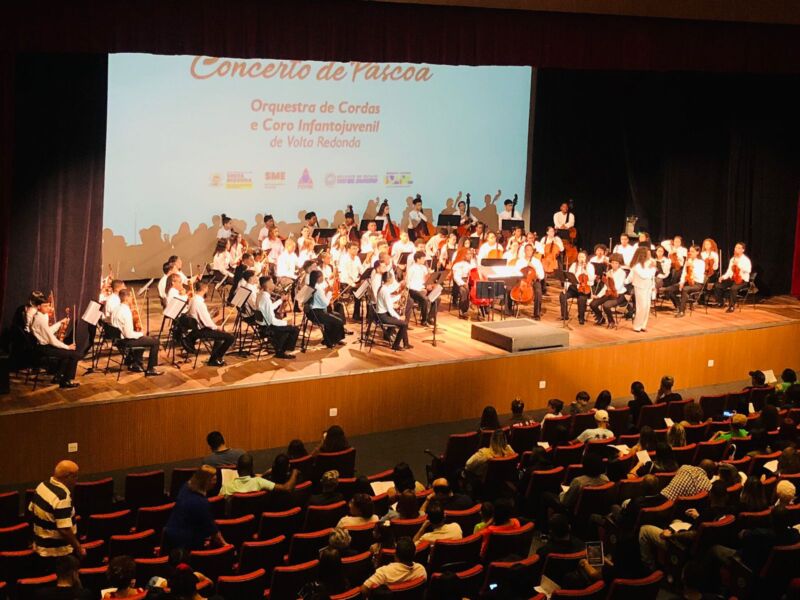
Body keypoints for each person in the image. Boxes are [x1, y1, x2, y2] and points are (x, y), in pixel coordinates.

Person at [29, 461, 84, 573]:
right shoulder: (61, 498)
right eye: (76, 476)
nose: (76, 480)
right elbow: (64, 529)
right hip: (58, 553)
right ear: (68, 477)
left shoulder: (42, 486)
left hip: (41, 548)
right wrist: (79, 548)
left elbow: (31, 510)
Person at [163, 465, 228, 552]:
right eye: (213, 480)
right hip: (184, 545)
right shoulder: (201, 503)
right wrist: (226, 545)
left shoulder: (185, 487)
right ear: (206, 482)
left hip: (170, 535)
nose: (215, 483)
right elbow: (213, 531)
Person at [27, 292, 81, 388]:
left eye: (49, 306)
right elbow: (51, 339)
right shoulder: (39, 319)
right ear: (38, 307)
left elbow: (48, 332)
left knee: (67, 354)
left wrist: (60, 323)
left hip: (45, 345)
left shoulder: (42, 315)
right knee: (74, 354)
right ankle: (66, 381)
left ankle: (58, 376)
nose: (48, 308)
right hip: (43, 348)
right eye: (45, 306)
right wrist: (67, 347)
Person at [111, 288, 162, 376]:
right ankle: (151, 369)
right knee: (155, 341)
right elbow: (129, 335)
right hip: (125, 341)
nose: (132, 299)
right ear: (127, 298)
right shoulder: (126, 311)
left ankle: (135, 363)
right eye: (131, 297)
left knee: (143, 339)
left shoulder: (116, 308)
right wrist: (141, 333)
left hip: (117, 339)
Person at [186, 281, 234, 366]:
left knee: (219, 336)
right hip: (202, 330)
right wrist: (217, 327)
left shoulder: (193, 299)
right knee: (230, 338)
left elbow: (201, 317)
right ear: (205, 289)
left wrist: (211, 314)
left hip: (197, 329)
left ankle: (213, 359)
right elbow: (207, 323)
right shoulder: (200, 303)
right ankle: (216, 358)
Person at [256, 275, 299, 359]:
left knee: (287, 327)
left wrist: (280, 300)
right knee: (294, 329)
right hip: (268, 326)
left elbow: (269, 307)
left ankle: (280, 349)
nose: (274, 284)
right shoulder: (265, 298)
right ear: (267, 285)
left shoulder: (261, 294)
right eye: (272, 282)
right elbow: (272, 321)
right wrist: (286, 322)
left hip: (262, 323)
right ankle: (282, 351)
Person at [221, 452, 298, 496]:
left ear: (237, 468)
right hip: (256, 521)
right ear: (252, 468)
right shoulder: (259, 482)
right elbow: (286, 488)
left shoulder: (226, 487)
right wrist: (295, 472)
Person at [308, 269, 346, 348]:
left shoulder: (311, 286)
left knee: (338, 316)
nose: (323, 278)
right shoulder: (318, 289)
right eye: (322, 276)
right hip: (318, 313)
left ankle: (331, 339)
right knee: (339, 321)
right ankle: (331, 340)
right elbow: (325, 303)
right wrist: (329, 292)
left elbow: (319, 300)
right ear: (318, 278)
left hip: (312, 313)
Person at [376, 270, 411, 351]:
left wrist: (396, 301)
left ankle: (406, 343)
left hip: (383, 313)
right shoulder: (385, 290)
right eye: (392, 277)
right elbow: (390, 310)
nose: (393, 279)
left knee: (403, 321)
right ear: (388, 280)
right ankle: (396, 345)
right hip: (383, 316)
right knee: (404, 324)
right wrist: (399, 318)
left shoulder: (383, 288)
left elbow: (387, 303)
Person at [589, 253, 628, 327]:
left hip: (618, 295)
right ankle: (601, 318)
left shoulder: (622, 273)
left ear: (619, 264)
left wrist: (612, 278)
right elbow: (605, 287)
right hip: (609, 293)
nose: (614, 265)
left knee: (606, 305)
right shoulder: (609, 272)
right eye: (612, 263)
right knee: (593, 304)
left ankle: (611, 321)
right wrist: (598, 295)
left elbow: (618, 287)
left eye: (616, 263)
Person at [668, 245, 706, 318]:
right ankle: (679, 305)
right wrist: (681, 282)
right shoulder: (688, 261)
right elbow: (684, 273)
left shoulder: (701, 262)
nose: (690, 253)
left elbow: (699, 275)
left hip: (697, 283)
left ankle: (682, 311)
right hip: (687, 282)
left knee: (685, 289)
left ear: (697, 252)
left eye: (692, 251)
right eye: (690, 251)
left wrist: (692, 267)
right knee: (669, 290)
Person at [713, 242, 752, 312]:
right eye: (736, 247)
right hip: (733, 279)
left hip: (742, 280)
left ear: (743, 250)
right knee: (717, 285)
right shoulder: (732, 259)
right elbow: (729, 271)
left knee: (733, 288)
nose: (736, 249)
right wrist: (723, 277)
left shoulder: (745, 260)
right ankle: (720, 302)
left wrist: (739, 266)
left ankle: (731, 306)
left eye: (739, 248)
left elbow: (748, 270)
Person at [625, 246, 656, 332]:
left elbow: (651, 277)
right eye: (647, 254)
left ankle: (643, 325)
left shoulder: (649, 263)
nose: (649, 255)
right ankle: (637, 326)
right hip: (640, 287)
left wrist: (653, 286)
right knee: (641, 307)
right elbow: (644, 275)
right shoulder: (637, 265)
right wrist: (653, 268)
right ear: (643, 255)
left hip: (648, 286)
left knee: (647, 306)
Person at [559, 251, 594, 325]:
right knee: (562, 295)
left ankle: (581, 318)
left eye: (582, 257)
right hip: (574, 288)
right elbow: (569, 278)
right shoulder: (574, 265)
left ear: (586, 258)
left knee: (581, 299)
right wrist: (565, 287)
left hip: (585, 289)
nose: (581, 258)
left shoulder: (590, 266)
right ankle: (564, 315)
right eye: (579, 257)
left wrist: (585, 270)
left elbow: (591, 279)